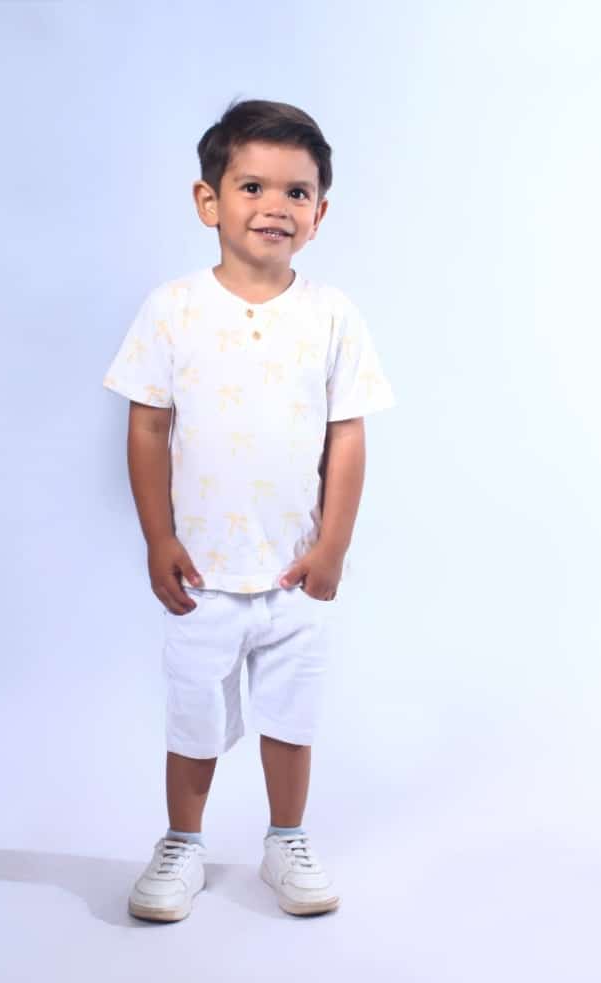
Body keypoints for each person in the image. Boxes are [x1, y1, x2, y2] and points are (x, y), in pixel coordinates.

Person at [103, 98, 395, 921]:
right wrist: (158, 537)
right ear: (209, 201)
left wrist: (331, 546)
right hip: (201, 573)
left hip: (294, 571)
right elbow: (148, 426)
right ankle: (182, 843)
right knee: (192, 719)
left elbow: (346, 436)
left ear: (319, 213)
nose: (275, 206)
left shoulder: (331, 315)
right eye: (252, 186)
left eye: (296, 192)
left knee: (292, 718)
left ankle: (286, 839)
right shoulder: (173, 308)